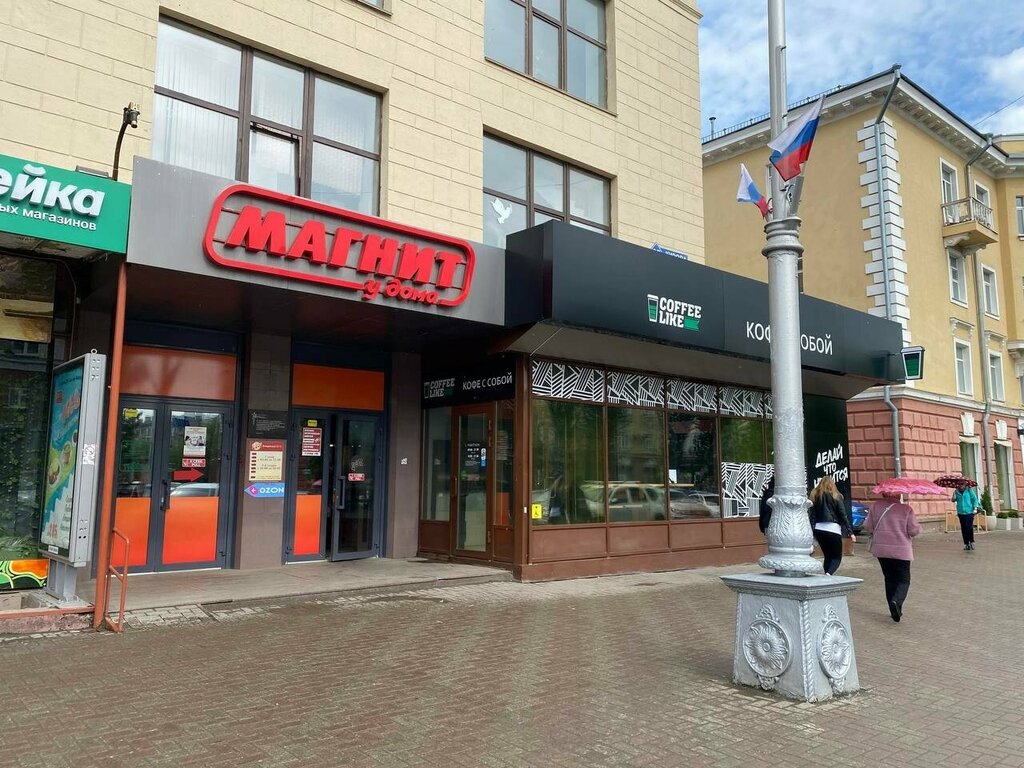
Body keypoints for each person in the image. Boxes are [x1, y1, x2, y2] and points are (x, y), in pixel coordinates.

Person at [863, 494, 922, 622]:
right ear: (898, 494)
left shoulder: (875, 506)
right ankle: (897, 601)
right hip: (901, 551)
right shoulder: (906, 509)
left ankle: (893, 609)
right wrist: (918, 526)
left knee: (889, 579)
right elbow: (913, 531)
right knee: (904, 580)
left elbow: (868, 526)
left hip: (882, 550)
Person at [808, 476, 855, 574]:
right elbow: (843, 515)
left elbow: (812, 517)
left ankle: (826, 574)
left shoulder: (815, 497)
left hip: (819, 529)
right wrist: (851, 533)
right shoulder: (836, 496)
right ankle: (829, 574)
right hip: (833, 529)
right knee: (836, 557)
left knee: (828, 556)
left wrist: (812, 532)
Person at [953, 482, 980, 551]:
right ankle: (966, 543)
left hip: (969, 512)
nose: (960, 486)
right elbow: (953, 500)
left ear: (965, 485)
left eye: (962, 484)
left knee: (969, 527)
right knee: (964, 528)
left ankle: (972, 541)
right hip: (961, 512)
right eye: (959, 484)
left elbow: (975, 499)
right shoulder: (956, 491)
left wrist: (975, 508)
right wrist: (954, 497)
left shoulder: (969, 490)